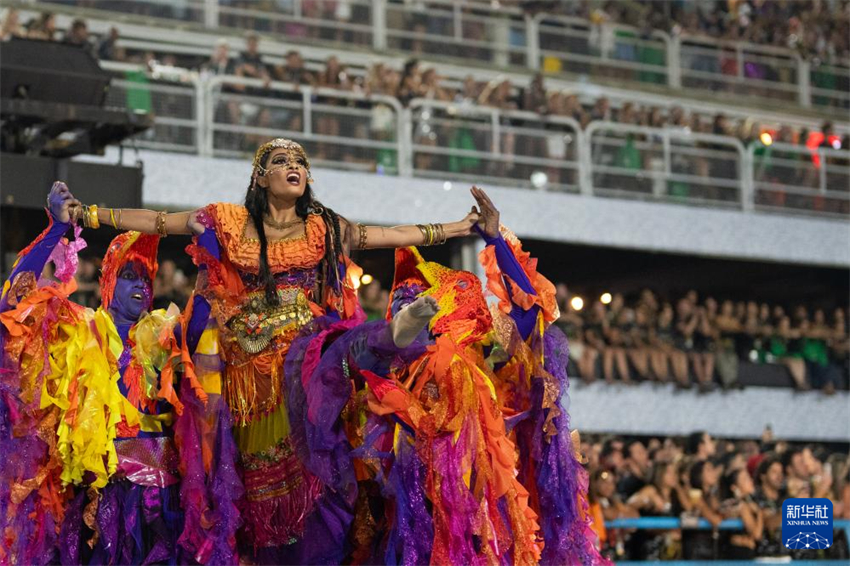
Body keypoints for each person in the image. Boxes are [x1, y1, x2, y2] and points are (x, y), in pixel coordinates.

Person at [61, 139, 482, 564]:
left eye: (300, 161)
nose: (293, 166)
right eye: (281, 161)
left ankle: (394, 332)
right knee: (253, 494)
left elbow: (388, 234)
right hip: (245, 377)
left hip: (304, 359)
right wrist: (84, 214)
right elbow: (158, 220)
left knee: (341, 364)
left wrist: (458, 228)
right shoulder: (227, 220)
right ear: (261, 177)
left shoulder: (324, 228)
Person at [348, 187, 604, 565]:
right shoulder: (386, 368)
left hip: (480, 505)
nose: (411, 306)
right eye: (403, 304)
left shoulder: (480, 356)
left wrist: (495, 239)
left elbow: (529, 312)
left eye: (422, 301)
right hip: (411, 512)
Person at [0, 183, 186, 565]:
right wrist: (55, 228)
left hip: (157, 506)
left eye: (146, 278)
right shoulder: (78, 329)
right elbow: (13, 302)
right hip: (88, 503)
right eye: (130, 276)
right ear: (107, 283)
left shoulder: (168, 337)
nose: (141, 286)